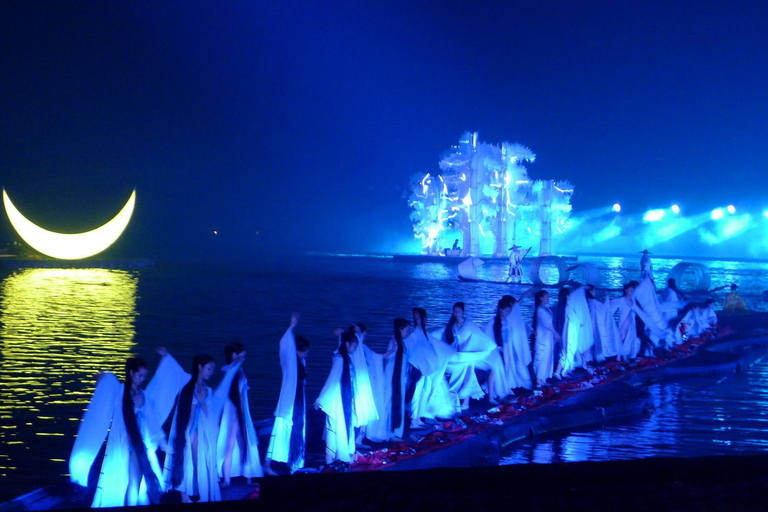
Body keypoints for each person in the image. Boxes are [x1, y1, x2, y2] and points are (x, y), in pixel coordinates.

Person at [70, 350, 182, 507]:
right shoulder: (120, 391)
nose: (142, 379)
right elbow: (108, 384)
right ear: (131, 373)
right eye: (140, 375)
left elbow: (152, 420)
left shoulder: (143, 395)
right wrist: (102, 379)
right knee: (130, 480)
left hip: (139, 444)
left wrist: (163, 443)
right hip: (125, 444)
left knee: (135, 480)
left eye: (144, 376)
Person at [163, 352, 243, 503]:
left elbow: (210, 413)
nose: (211, 372)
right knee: (193, 462)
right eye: (209, 368)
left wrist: (202, 402)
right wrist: (197, 403)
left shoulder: (208, 390)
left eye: (213, 369)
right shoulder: (188, 389)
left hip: (205, 430)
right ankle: (192, 496)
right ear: (200, 367)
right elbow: (187, 415)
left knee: (204, 462)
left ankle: (203, 495)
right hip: (192, 430)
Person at [265, 313, 309, 475]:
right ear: (297, 350)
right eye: (303, 352)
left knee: (293, 431)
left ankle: (293, 462)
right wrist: (291, 327)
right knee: (279, 431)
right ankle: (267, 464)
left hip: (297, 401)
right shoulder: (291, 363)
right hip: (289, 402)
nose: (305, 355)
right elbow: (285, 345)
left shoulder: (300, 362)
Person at [444, 302, 510, 408]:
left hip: (470, 354)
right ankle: (462, 402)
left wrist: (493, 346)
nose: (457, 313)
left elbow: (480, 336)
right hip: (461, 355)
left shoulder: (469, 324)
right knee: (462, 376)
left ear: (462, 312)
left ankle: (467, 402)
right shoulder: (453, 326)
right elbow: (456, 342)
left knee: (470, 374)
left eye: (459, 311)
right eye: (455, 312)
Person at [217, 343, 263, 487]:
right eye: (241, 355)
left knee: (244, 442)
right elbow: (233, 392)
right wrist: (239, 413)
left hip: (241, 410)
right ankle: (226, 478)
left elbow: (242, 392)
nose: (244, 357)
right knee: (230, 443)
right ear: (234, 355)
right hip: (234, 411)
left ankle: (248, 475)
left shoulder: (238, 370)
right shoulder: (228, 370)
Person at [408, 307, 458, 426]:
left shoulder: (423, 333)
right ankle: (414, 420)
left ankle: (418, 417)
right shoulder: (416, 334)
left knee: (423, 393)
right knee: (417, 394)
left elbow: (434, 346)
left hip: (425, 370)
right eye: (422, 318)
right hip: (418, 370)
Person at [315, 331, 359, 463]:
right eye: (354, 346)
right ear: (347, 344)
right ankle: (329, 459)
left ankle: (340, 456)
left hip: (345, 398)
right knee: (334, 428)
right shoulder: (340, 359)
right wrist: (320, 399)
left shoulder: (346, 358)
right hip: (337, 400)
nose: (355, 349)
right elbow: (332, 380)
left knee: (341, 427)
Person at [365, 318, 410, 442]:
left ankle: (395, 431)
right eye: (406, 330)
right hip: (391, 378)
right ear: (400, 330)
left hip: (399, 378)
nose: (408, 332)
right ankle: (385, 432)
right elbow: (386, 359)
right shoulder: (394, 343)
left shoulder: (403, 343)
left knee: (397, 403)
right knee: (387, 404)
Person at [484, 297, 532, 390]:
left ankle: (505, 386)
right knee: (498, 370)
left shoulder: (508, 321)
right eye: (506, 311)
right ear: (500, 309)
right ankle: (494, 389)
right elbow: (487, 335)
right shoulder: (493, 322)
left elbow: (516, 308)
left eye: (509, 311)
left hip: (508, 349)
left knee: (509, 367)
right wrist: (496, 347)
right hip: (498, 349)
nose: (508, 313)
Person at [531, 290, 559, 387]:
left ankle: (544, 378)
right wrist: (555, 332)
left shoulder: (546, 309)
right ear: (541, 298)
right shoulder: (539, 310)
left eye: (548, 296)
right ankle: (539, 379)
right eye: (546, 297)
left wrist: (554, 333)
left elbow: (550, 323)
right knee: (542, 357)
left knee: (547, 357)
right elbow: (546, 324)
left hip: (548, 337)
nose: (548, 298)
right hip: (543, 338)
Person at [610, 282, 640, 361]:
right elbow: (612, 304)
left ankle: (626, 355)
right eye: (630, 290)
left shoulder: (633, 300)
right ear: (626, 290)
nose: (632, 292)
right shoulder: (622, 300)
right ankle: (618, 357)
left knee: (629, 339)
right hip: (623, 322)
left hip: (631, 323)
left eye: (633, 290)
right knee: (621, 338)